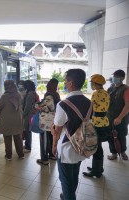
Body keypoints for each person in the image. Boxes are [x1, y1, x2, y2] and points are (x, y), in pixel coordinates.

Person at [51, 69, 91, 200]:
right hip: (81, 145)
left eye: (66, 81)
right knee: (74, 175)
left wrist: (53, 145)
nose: (65, 83)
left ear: (71, 83)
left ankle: (68, 196)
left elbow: (57, 130)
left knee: (66, 181)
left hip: (66, 148)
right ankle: (69, 194)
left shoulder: (63, 104)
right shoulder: (89, 102)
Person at [82, 74, 110, 178]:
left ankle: (96, 171)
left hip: (96, 123)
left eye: (92, 83)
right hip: (104, 122)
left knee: (96, 147)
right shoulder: (106, 93)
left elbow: (91, 108)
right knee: (99, 146)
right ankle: (98, 167)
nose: (91, 85)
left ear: (96, 84)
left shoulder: (96, 94)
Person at [0, 80, 24, 160]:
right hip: (17, 119)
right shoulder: (19, 95)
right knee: (18, 137)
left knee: (7, 138)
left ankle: (8, 156)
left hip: (7, 120)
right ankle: (21, 155)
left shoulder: (4, 96)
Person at [37, 78, 60, 165]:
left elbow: (50, 107)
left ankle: (44, 159)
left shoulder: (49, 95)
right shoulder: (56, 94)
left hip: (46, 122)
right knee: (50, 138)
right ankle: (52, 155)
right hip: (53, 120)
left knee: (44, 140)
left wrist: (39, 107)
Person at [107, 69, 129, 160]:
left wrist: (119, 118)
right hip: (109, 117)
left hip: (121, 118)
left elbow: (128, 105)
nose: (114, 78)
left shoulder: (126, 89)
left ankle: (123, 152)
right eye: (114, 77)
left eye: (116, 77)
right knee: (110, 136)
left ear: (122, 78)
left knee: (121, 135)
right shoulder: (110, 88)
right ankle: (114, 153)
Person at [23, 80, 39, 153]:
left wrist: (23, 114)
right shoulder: (34, 93)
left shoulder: (30, 94)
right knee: (28, 130)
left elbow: (27, 106)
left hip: (28, 115)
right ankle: (27, 144)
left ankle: (28, 147)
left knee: (27, 131)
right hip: (31, 114)